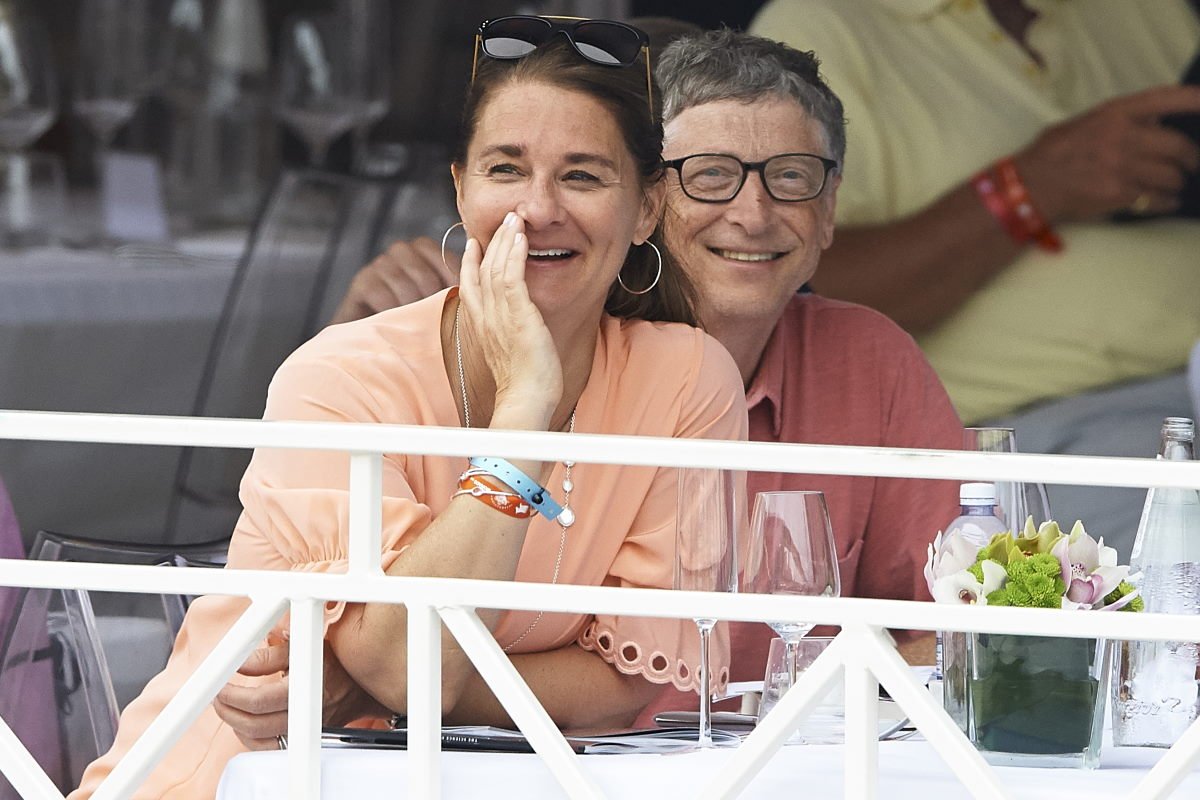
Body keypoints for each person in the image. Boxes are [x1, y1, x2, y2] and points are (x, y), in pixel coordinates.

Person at [69, 18, 748, 798]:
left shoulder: (687, 380)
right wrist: (525, 405)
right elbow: (406, 663)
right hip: (230, 781)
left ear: (647, 209)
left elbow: (623, 683)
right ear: (460, 189)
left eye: (584, 176)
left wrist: (374, 688)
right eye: (505, 169)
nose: (538, 208)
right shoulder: (339, 377)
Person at [298, 26, 961, 735]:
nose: (752, 214)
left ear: (828, 211)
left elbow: (963, 624)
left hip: (766, 768)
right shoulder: (524, 338)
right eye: (710, 175)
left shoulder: (870, 363)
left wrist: (389, 689)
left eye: (792, 178)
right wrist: (396, 680)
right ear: (649, 198)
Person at [749, 0, 1200, 556]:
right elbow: (795, 285)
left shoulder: (1149, 10)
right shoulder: (821, 27)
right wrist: (1028, 190)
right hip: (1032, 435)